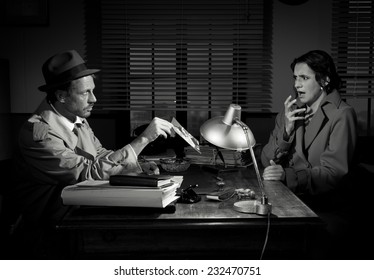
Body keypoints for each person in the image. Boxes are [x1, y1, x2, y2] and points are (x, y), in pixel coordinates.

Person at [4, 50, 175, 257]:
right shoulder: (38, 133)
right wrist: (143, 140)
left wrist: (134, 165)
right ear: (61, 96)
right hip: (47, 235)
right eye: (85, 93)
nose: (94, 99)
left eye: (92, 90)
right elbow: (86, 172)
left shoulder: (77, 119)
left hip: (77, 214)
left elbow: (100, 155)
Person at [260, 50, 358, 258]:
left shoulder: (342, 114)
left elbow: (333, 174)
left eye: (304, 78)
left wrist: (287, 175)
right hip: (289, 202)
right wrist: (286, 131)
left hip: (325, 208)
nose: (297, 85)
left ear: (324, 80)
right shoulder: (291, 111)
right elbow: (265, 159)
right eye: (295, 78)